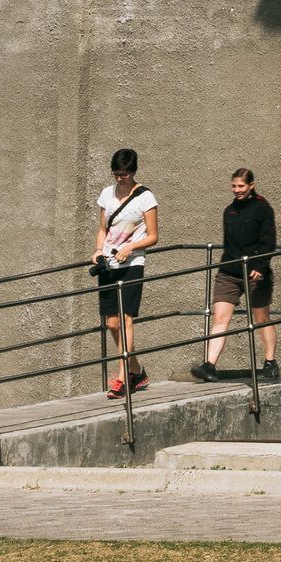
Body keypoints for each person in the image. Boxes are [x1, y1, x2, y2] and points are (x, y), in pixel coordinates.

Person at [91, 148, 157, 397]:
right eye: (117, 174)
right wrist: (98, 249)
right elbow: (102, 228)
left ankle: (123, 377)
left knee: (126, 319)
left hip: (132, 265)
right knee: (112, 323)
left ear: (134, 172)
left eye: (125, 174)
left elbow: (153, 236)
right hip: (109, 264)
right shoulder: (106, 194)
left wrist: (130, 246)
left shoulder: (145, 198)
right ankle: (137, 370)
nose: (120, 178)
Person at [212, 166, 281, 381]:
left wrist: (260, 267)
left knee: (261, 318)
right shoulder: (229, 211)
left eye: (241, 186)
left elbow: (269, 241)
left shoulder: (262, 208)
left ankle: (270, 361)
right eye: (233, 186)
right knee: (219, 318)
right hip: (230, 271)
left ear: (251, 186)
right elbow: (229, 244)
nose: (237, 190)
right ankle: (209, 365)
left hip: (255, 272)